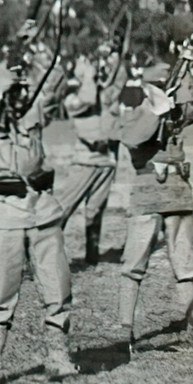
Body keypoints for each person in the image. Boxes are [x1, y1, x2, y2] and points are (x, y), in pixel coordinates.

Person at [0, 52, 74, 384]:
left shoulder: (32, 111)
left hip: (41, 208)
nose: (20, 94)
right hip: (4, 211)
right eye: (15, 88)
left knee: (57, 285)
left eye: (23, 87)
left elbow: (53, 83)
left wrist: (37, 51)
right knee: (1, 290)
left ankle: (57, 355)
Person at [116, 57, 193, 351]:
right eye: (159, 85)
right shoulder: (135, 108)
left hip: (177, 192)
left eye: (166, 84)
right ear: (147, 86)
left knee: (186, 263)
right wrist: (155, 109)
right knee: (134, 263)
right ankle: (125, 330)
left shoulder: (175, 111)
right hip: (147, 192)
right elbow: (133, 138)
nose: (163, 89)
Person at [58, 48, 122, 267]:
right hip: (84, 162)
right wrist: (87, 73)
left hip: (107, 161)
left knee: (96, 210)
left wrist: (114, 57)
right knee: (63, 209)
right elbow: (88, 97)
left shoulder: (102, 92)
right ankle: (44, 253)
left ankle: (91, 256)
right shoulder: (72, 98)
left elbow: (117, 83)